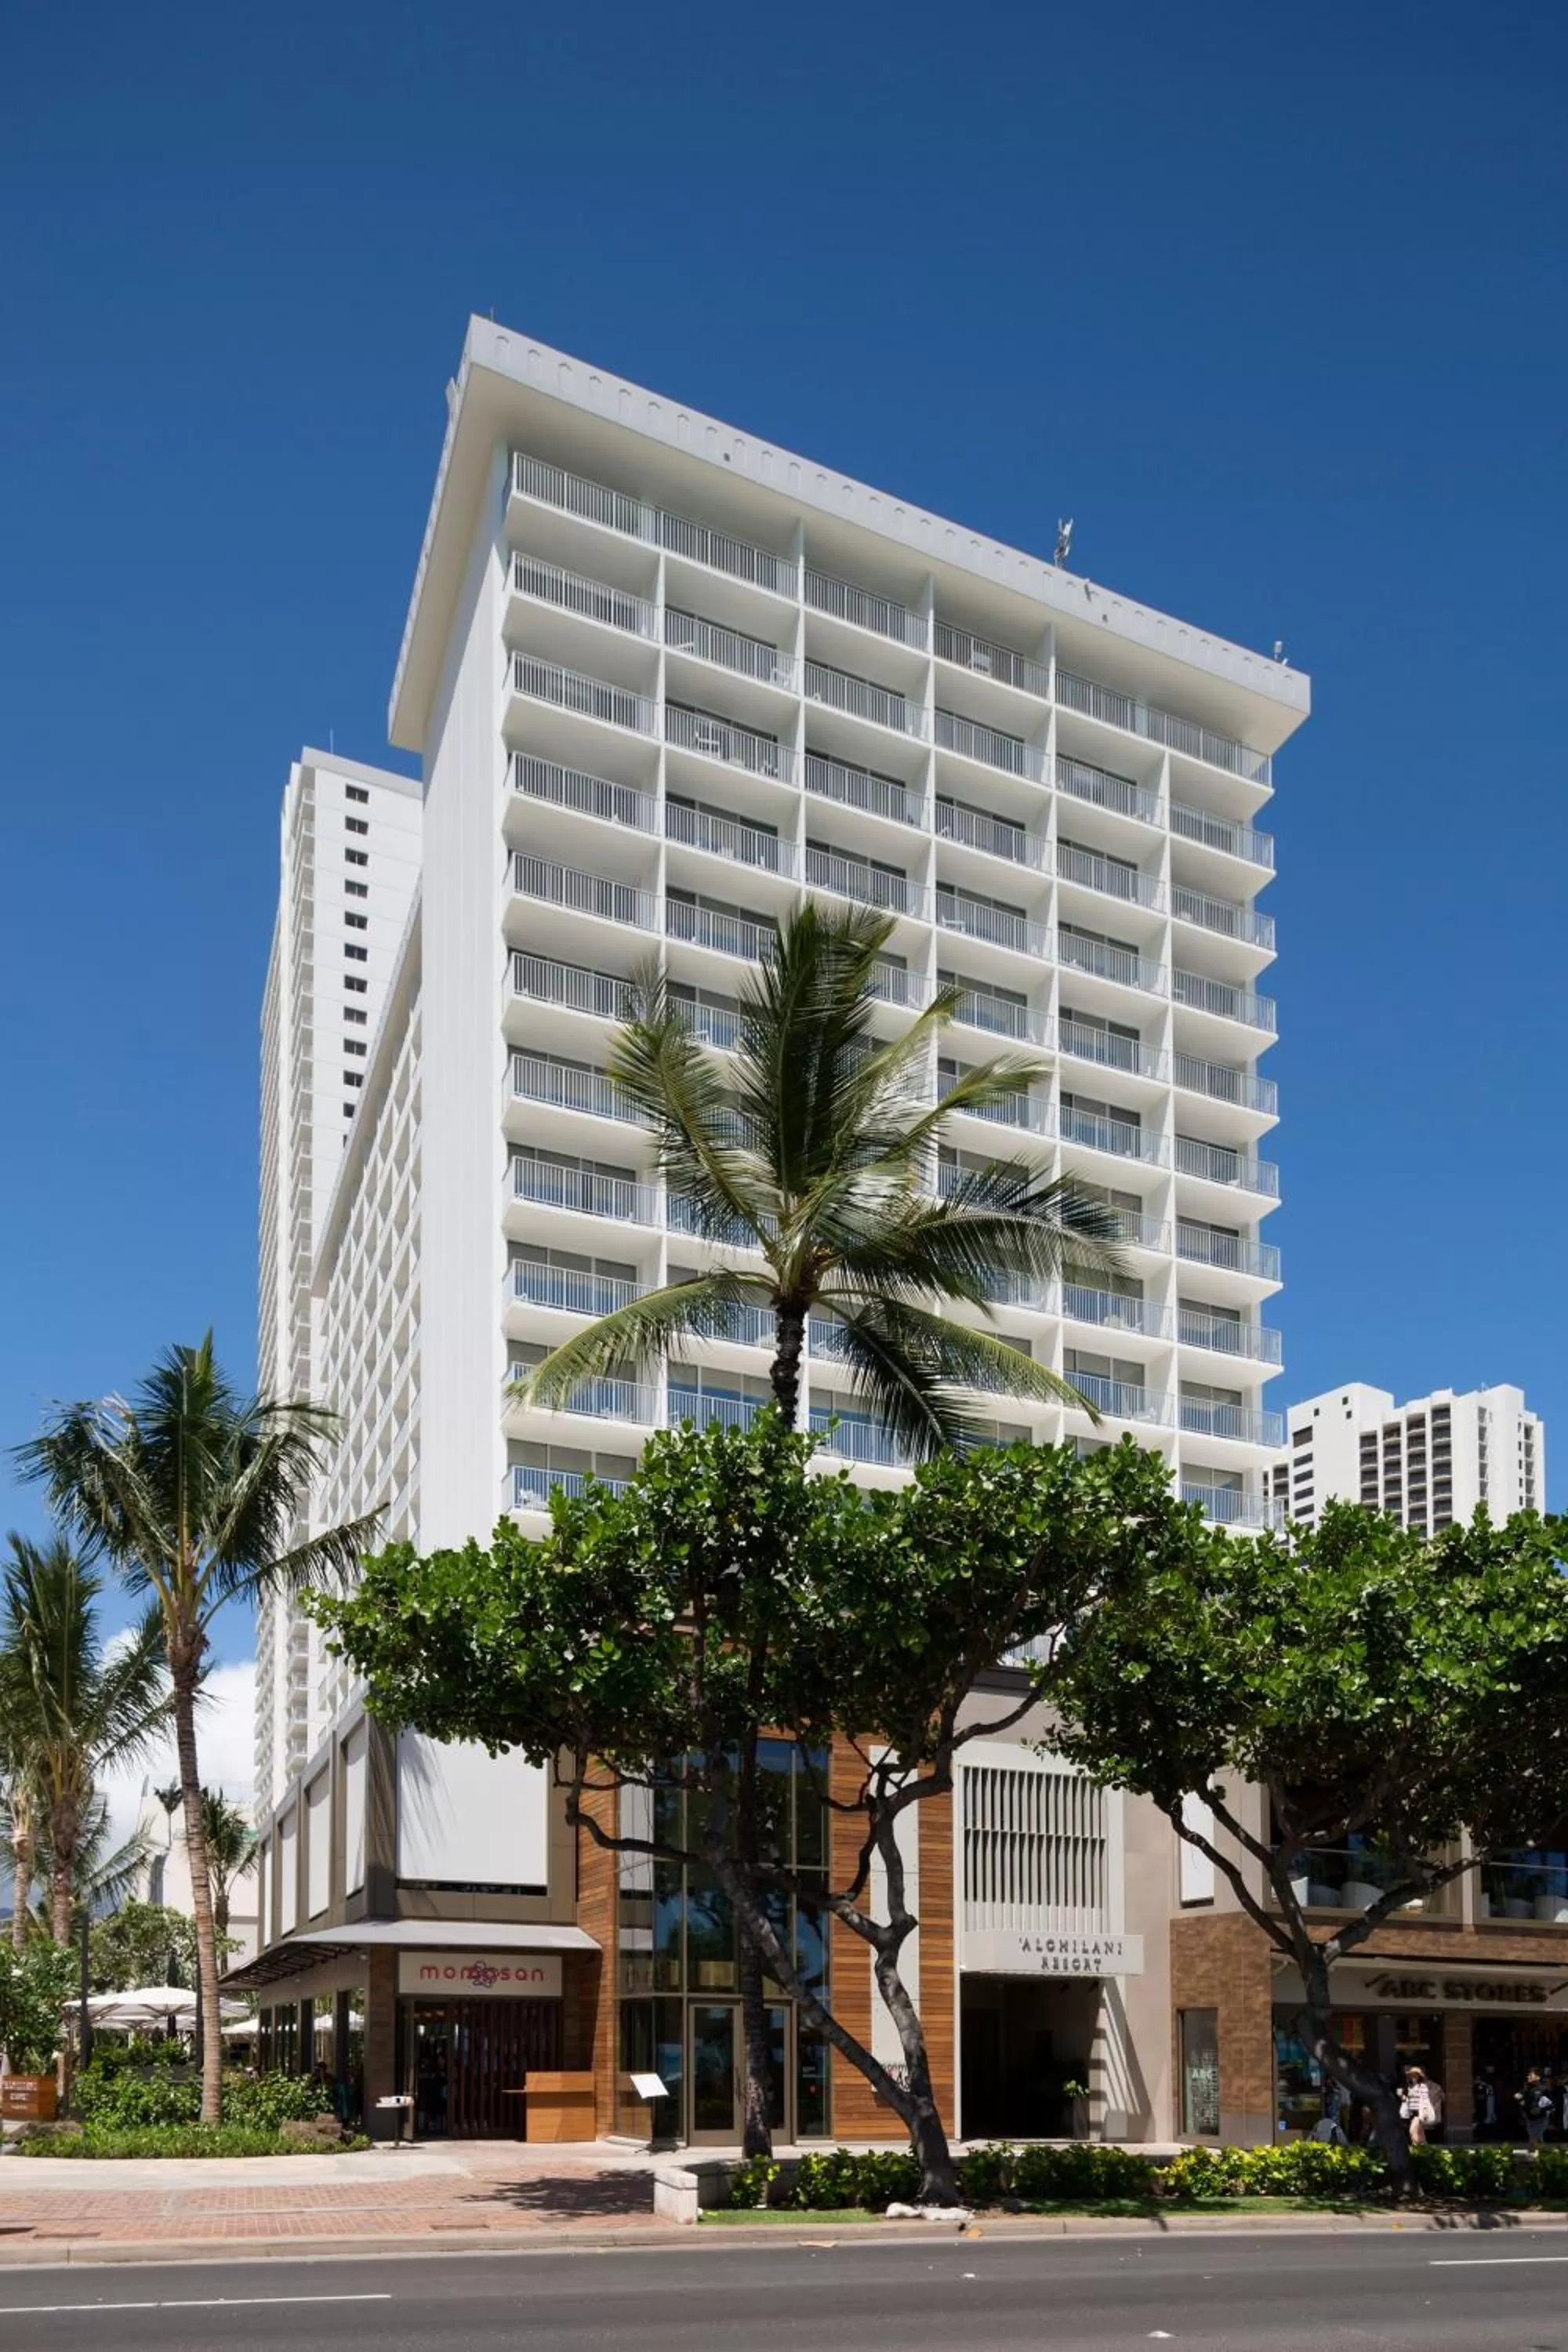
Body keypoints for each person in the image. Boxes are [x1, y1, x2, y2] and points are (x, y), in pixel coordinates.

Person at [1400, 2066, 1437, 2145]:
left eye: (1415, 2075)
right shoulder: (1409, 2087)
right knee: (1420, 2133)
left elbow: (1425, 2099)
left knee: (1412, 2131)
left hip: (1419, 2112)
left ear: (1418, 2077)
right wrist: (1404, 2097)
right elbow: (1407, 2100)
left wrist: (1425, 2111)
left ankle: (1416, 2148)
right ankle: (1425, 2149)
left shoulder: (1422, 2087)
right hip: (1411, 2113)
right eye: (1411, 2075)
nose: (1413, 2077)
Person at [1520, 2068, 1554, 2145]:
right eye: (1528, 2076)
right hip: (1530, 2119)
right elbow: (1525, 2103)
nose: (1528, 2077)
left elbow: (1550, 2105)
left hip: (1540, 2118)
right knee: (1536, 2139)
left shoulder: (1543, 2090)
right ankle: (1542, 2154)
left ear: (1538, 2077)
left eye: (1531, 2075)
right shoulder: (1527, 2089)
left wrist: (1540, 2109)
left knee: (1535, 2139)